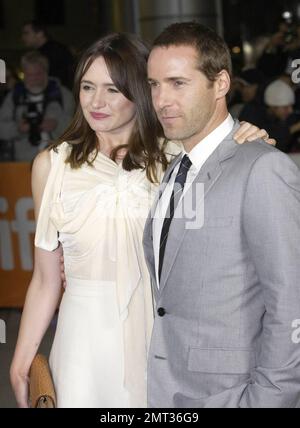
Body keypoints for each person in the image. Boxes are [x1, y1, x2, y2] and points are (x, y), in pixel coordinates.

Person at [10, 32, 274, 408]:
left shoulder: (180, 157)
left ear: (140, 93)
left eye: (113, 90)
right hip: (82, 340)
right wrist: (21, 360)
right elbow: (45, 278)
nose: (96, 102)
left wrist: (247, 141)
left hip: (163, 335)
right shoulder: (51, 166)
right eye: (87, 87)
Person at [143, 22, 300, 408]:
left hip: (233, 394)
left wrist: (267, 400)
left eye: (178, 83)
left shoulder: (263, 168)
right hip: (168, 389)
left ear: (221, 84)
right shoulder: (173, 165)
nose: (161, 99)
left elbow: (291, 302)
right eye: (154, 85)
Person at [0, 51, 74, 161]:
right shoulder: (13, 97)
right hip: (23, 163)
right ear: (24, 73)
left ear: (46, 72)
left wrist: (57, 124)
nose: (34, 78)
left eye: (38, 74)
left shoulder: (63, 95)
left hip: (60, 161)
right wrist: (18, 129)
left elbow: (78, 126)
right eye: (29, 74)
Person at [22, 20, 74, 89]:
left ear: (40, 33)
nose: (23, 37)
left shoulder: (54, 51)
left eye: (26, 33)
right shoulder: (56, 49)